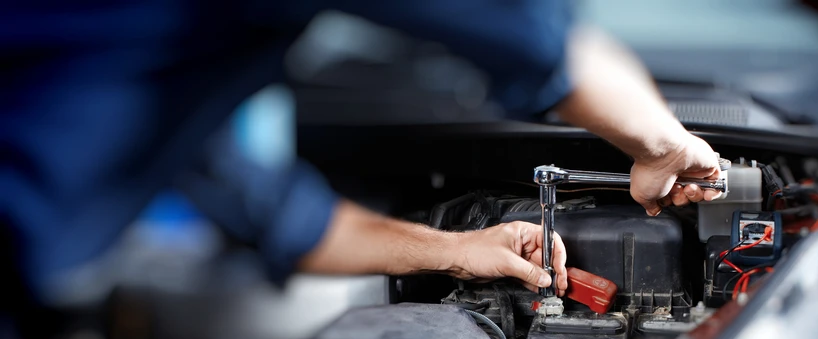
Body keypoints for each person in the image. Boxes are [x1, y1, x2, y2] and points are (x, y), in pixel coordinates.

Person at [1, 1, 721, 310]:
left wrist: (457, 250)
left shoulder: (147, 62)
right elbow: (536, 39)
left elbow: (275, 213)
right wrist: (661, 142)